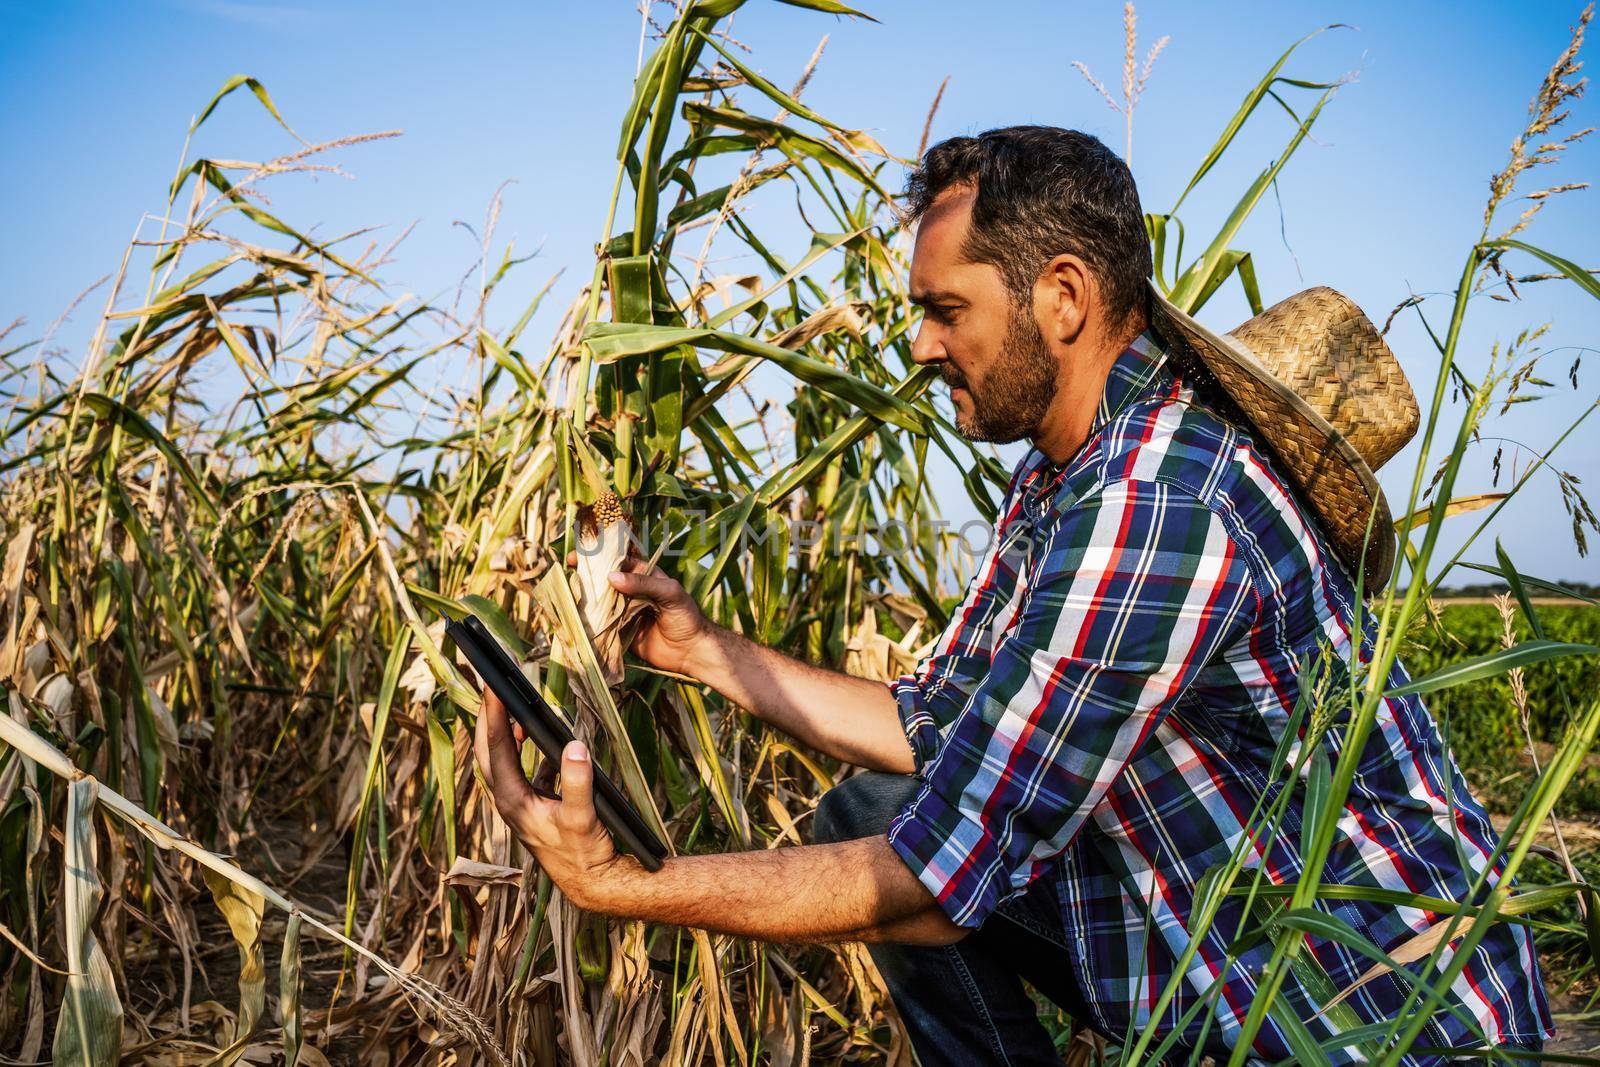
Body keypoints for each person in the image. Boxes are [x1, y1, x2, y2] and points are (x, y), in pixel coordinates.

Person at [471, 126, 1552, 1065]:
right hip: (1228, 942)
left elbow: (944, 878)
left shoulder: (1158, 497)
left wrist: (630, 884)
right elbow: (934, 721)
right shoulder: (1060, 474)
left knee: (919, 861)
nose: (920, 343)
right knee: (869, 805)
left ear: (1064, 297)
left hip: (1363, 1010)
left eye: (946, 308)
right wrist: (702, 648)